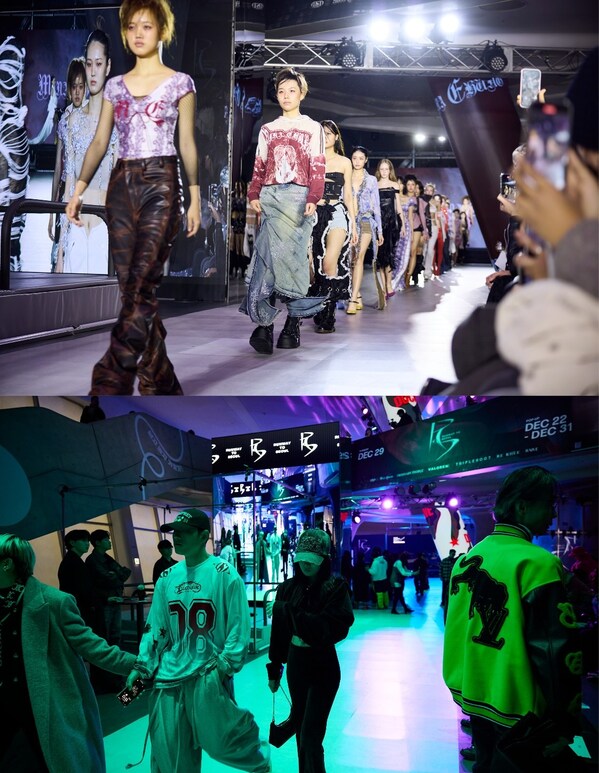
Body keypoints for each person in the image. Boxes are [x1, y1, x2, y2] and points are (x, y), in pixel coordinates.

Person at [66, 0, 200, 396]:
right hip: (121, 186)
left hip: (163, 183)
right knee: (132, 289)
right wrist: (77, 191)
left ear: (162, 31)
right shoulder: (114, 87)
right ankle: (161, 382)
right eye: (131, 26)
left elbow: (187, 142)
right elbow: (99, 142)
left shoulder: (181, 83)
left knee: (141, 283)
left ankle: (112, 374)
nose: (138, 33)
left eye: (147, 25)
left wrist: (194, 196)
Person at [443, 466, 582, 771]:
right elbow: (555, 651)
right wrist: (564, 721)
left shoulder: (467, 559)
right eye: (549, 504)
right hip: (520, 707)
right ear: (522, 506)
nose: (553, 514)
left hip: (473, 694)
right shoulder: (537, 562)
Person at [124, 509, 271, 772]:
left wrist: (224, 666)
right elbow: (156, 626)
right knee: (170, 754)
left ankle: (260, 760)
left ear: (204, 536)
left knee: (222, 742)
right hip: (168, 678)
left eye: (185, 532)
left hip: (207, 675)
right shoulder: (167, 578)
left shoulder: (224, 574)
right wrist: (142, 665)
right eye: (175, 532)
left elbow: (238, 625)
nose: (177, 537)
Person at [0, 533, 136, 773]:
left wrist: (140, 665)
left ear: (7, 564)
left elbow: (93, 646)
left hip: (41, 712)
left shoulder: (54, 602)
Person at [242, 67, 326, 354]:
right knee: (266, 260)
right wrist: (254, 192)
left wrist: (314, 196)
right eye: (281, 91)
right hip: (271, 197)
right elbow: (260, 165)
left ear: (302, 93)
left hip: (300, 199)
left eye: (292, 90)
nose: (286, 96)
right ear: (276, 96)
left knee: (294, 263)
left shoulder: (313, 127)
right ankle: (265, 326)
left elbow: (317, 166)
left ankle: (292, 325)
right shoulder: (268, 129)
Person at [266, 528, 354, 773]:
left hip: (323, 666)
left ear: (324, 560)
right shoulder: (287, 588)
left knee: (310, 734)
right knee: (301, 730)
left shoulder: (335, 588)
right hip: (297, 665)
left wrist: (288, 611)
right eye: (302, 558)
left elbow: (326, 629)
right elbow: (280, 633)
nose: (305, 564)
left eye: (312, 560)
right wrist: (275, 668)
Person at [63, 30, 118, 275]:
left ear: (108, 67)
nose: (93, 71)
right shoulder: (73, 121)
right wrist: (61, 249)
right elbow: (69, 184)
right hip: (75, 231)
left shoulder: (117, 122)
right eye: (89, 64)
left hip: (103, 232)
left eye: (99, 64)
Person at [309, 119, 357, 334]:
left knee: (330, 262)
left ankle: (328, 314)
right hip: (313, 213)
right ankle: (319, 305)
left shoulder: (344, 162)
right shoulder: (312, 159)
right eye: (322, 133)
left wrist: (353, 224)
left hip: (337, 212)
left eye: (329, 133)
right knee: (312, 266)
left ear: (336, 137)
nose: (326, 136)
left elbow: (348, 196)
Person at [48, 56, 86, 273]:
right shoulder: (63, 121)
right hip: (64, 194)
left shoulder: (92, 120)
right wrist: (50, 213)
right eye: (74, 86)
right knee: (58, 261)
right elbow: (57, 169)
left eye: (81, 86)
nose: (78, 92)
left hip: (84, 197)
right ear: (69, 89)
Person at [346, 145, 383, 313]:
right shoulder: (346, 176)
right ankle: (358, 293)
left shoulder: (372, 180)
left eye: (361, 158)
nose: (357, 161)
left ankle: (353, 299)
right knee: (350, 259)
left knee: (359, 257)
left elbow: (376, 206)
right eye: (354, 158)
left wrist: (380, 230)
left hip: (367, 220)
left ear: (366, 160)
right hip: (349, 221)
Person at [85, 528, 131, 647]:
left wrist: (115, 575)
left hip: (115, 599)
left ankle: (115, 656)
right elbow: (108, 578)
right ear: (97, 542)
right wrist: (116, 575)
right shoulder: (92, 560)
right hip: (104, 602)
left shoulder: (107, 558)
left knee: (116, 633)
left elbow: (125, 573)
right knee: (104, 634)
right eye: (106, 540)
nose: (109, 542)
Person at [375, 158, 402, 303]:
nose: (384, 172)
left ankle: (389, 284)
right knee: (380, 256)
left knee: (390, 253)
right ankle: (384, 288)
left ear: (390, 170)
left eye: (387, 169)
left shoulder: (394, 184)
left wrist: (403, 224)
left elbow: (398, 206)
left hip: (392, 223)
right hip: (379, 223)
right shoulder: (374, 184)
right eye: (382, 169)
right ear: (379, 170)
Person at [57, 528, 97, 627]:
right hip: (80, 608)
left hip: (78, 607)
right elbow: (81, 587)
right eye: (83, 540)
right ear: (72, 543)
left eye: (88, 541)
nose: (87, 544)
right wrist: (91, 604)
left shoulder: (73, 560)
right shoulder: (72, 562)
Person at [439, 548, 457, 621]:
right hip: (446, 578)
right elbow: (440, 569)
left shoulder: (454, 561)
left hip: (450, 579)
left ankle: (447, 602)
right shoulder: (445, 561)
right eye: (452, 553)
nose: (453, 555)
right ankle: (443, 602)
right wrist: (441, 576)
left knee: (449, 591)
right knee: (444, 591)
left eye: (454, 554)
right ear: (450, 553)